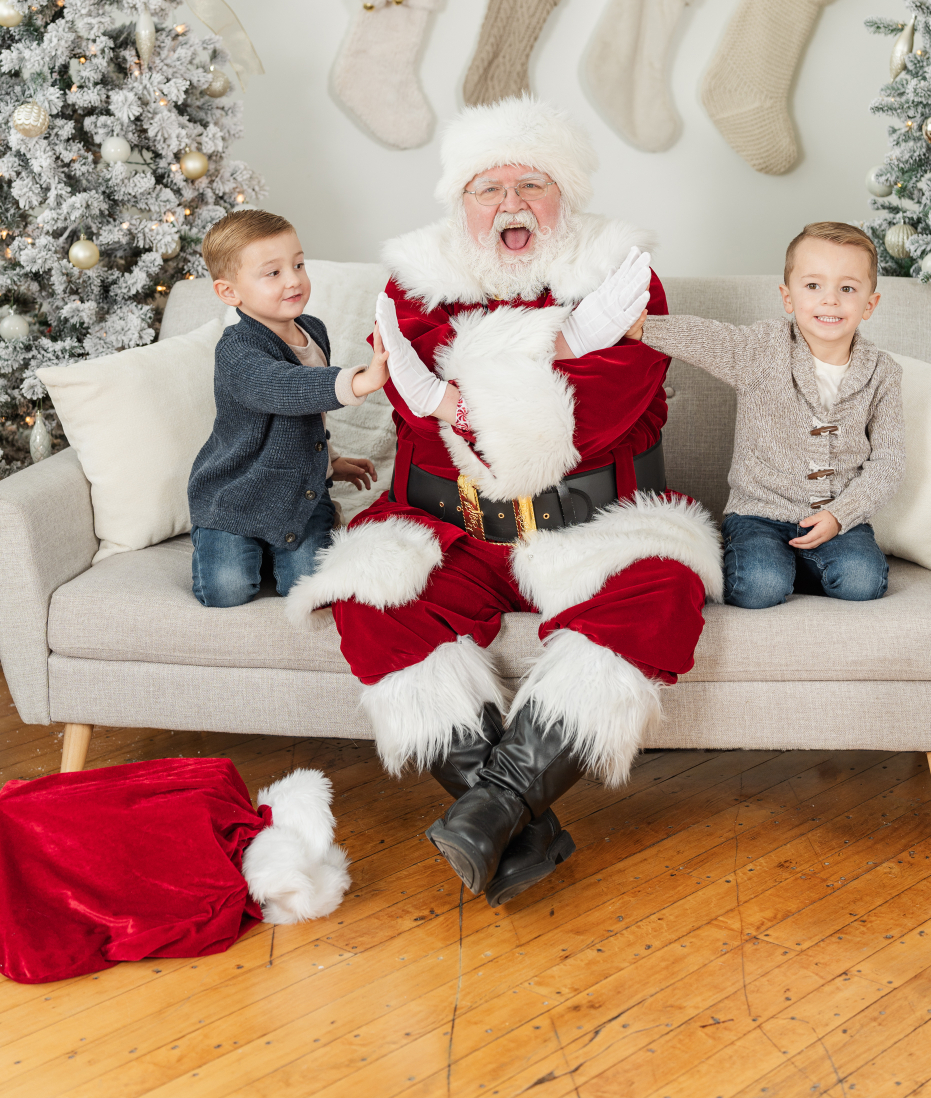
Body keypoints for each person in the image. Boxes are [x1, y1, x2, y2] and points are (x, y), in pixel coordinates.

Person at [286, 96, 723, 907]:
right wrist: (553, 343)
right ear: (462, 201)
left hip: (588, 527)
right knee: (372, 598)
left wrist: (465, 376)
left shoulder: (625, 276)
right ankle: (514, 820)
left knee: (664, 589)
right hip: (442, 526)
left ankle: (492, 809)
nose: (512, 204)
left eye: (533, 183)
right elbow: (421, 405)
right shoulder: (415, 278)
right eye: (490, 188)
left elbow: (582, 421)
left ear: (566, 195)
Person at [641, 220, 905, 609]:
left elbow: (889, 461)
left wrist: (840, 515)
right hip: (758, 515)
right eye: (813, 286)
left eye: (847, 288)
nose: (830, 300)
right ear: (788, 297)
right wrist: (644, 328)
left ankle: (799, 565)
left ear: (869, 304)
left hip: (836, 518)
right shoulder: (762, 350)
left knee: (862, 580)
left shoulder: (882, 373)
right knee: (760, 585)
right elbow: (707, 338)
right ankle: (773, 565)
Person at [187, 209, 389, 609]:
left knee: (308, 589)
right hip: (237, 496)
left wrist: (328, 463)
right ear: (230, 293)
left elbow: (307, 417)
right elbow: (283, 389)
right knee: (226, 591)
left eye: (298, 264)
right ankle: (229, 539)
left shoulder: (313, 329)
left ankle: (279, 546)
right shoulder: (236, 350)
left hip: (301, 491)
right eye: (273, 273)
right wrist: (359, 380)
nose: (294, 279)